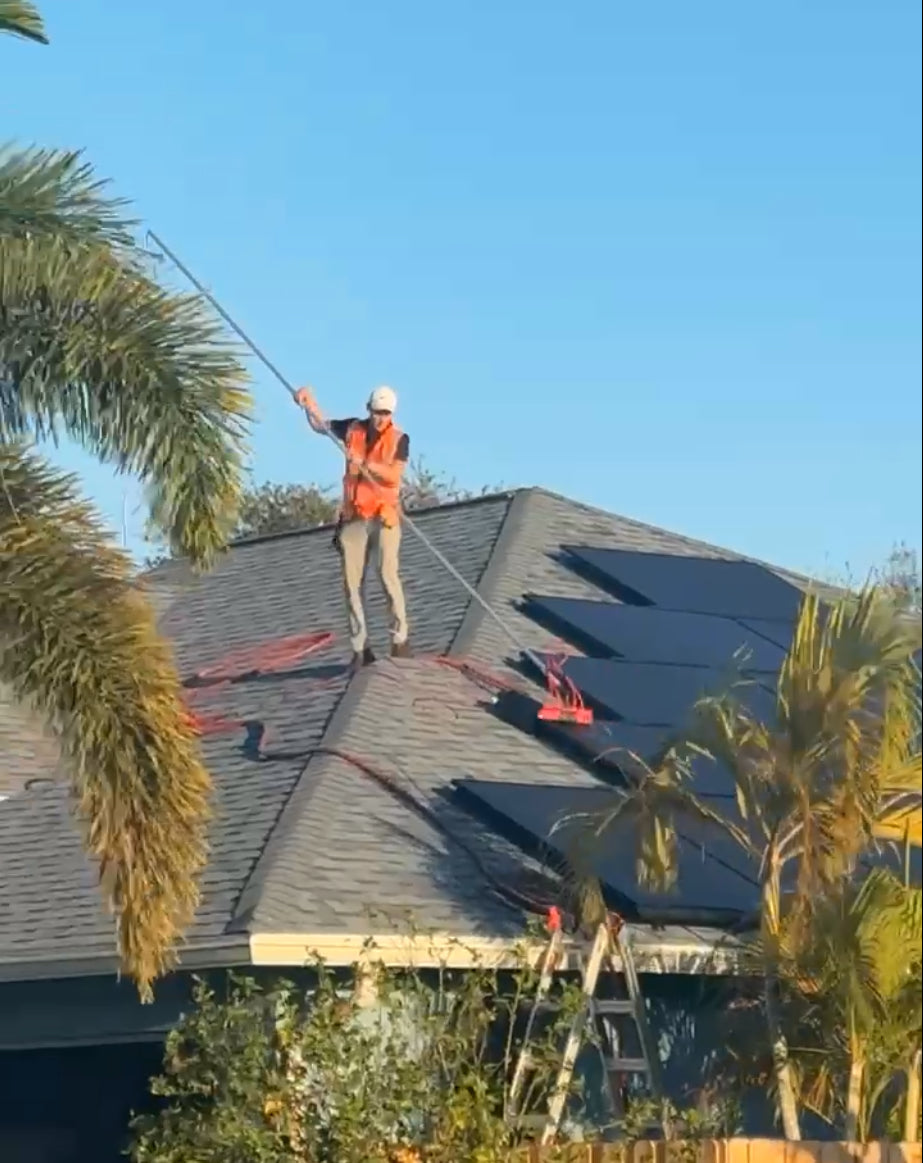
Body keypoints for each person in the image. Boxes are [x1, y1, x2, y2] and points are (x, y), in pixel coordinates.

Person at [294, 384, 411, 667]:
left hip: (384, 518)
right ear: (368, 409)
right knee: (351, 584)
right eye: (376, 412)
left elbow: (393, 475)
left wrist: (364, 463)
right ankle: (360, 648)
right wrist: (308, 403)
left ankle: (400, 639)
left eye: (385, 413)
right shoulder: (352, 429)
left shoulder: (399, 439)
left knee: (387, 575)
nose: (380, 417)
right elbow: (320, 426)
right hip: (355, 518)